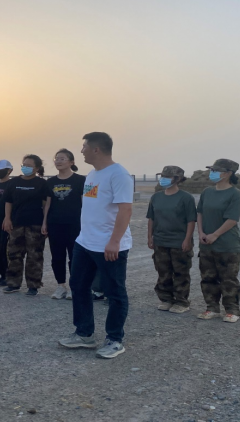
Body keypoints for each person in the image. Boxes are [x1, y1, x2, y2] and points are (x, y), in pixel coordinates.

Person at [58, 132, 133, 359]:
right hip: (85, 242)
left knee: (114, 292)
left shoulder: (119, 174)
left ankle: (115, 340)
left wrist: (114, 241)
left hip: (109, 245)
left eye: (84, 147)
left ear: (96, 149)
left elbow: (125, 210)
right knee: (79, 286)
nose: (81, 150)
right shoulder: (92, 174)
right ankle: (84, 334)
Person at [197, 159, 240, 324]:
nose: (212, 173)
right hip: (206, 244)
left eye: (216, 170)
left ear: (228, 173)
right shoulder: (207, 192)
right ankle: (211, 308)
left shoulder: (235, 194)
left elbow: (232, 219)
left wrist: (215, 235)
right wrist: (201, 233)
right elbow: (200, 213)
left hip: (227, 245)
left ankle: (232, 310)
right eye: (212, 170)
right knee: (208, 277)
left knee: (228, 279)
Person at [147, 166, 197, 314]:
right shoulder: (156, 197)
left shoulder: (186, 198)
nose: (163, 179)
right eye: (162, 176)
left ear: (177, 179)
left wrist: (187, 240)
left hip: (179, 242)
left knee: (181, 272)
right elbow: (151, 218)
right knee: (163, 272)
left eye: (167, 177)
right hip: (160, 241)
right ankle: (166, 299)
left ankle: (182, 301)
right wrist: (150, 237)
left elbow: (191, 221)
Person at [2, 155, 51, 297]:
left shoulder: (42, 183)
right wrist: (7, 219)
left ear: (37, 168)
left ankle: (33, 285)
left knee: (34, 255)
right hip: (16, 223)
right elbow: (8, 202)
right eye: (24, 165)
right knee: (14, 254)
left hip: (35, 224)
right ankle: (13, 283)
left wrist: (45, 222)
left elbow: (45, 205)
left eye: (29, 165)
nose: (25, 167)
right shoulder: (13, 182)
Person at [45, 149, 86, 300]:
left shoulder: (80, 180)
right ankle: (60, 286)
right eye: (56, 159)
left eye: (62, 158)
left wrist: (86, 223)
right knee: (57, 256)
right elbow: (47, 204)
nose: (58, 161)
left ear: (71, 162)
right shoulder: (50, 182)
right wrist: (44, 223)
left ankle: (74, 287)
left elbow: (84, 203)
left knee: (75, 256)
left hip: (75, 224)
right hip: (55, 224)